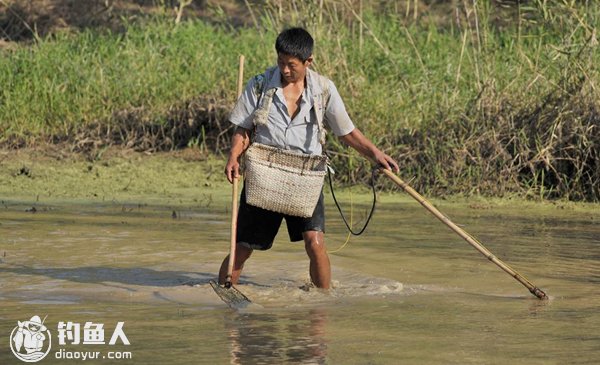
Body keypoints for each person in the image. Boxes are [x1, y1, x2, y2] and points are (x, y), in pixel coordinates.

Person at [219, 27, 399, 289]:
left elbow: (346, 132)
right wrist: (234, 156)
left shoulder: (324, 90)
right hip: (264, 175)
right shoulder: (260, 85)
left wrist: (375, 154)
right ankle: (224, 291)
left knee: (315, 243)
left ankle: (322, 304)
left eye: (291, 65)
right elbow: (243, 129)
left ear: (308, 61)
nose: (285, 70)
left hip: (305, 180)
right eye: (281, 62)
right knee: (244, 247)